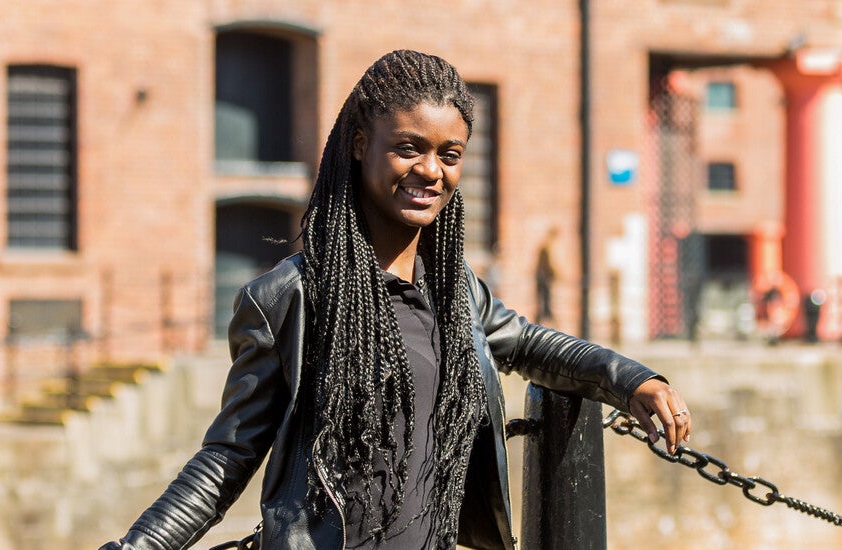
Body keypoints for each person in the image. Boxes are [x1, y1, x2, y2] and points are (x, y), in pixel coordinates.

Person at [100, 50, 691, 550]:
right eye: (409, 148)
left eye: (449, 155)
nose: (430, 170)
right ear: (360, 145)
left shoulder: (455, 293)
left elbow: (534, 345)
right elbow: (227, 456)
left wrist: (632, 379)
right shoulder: (289, 298)